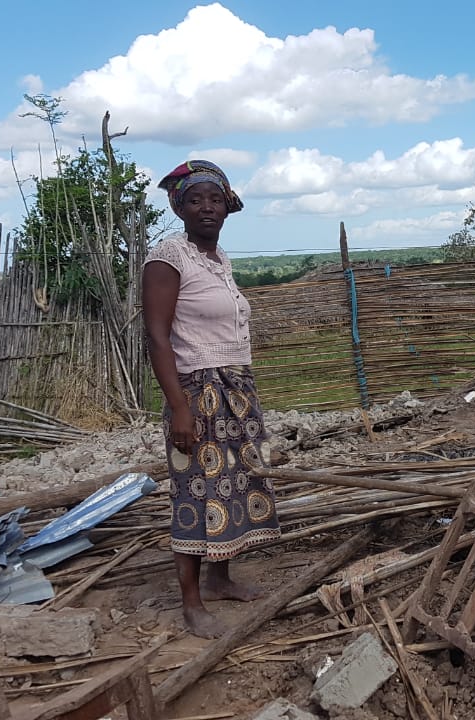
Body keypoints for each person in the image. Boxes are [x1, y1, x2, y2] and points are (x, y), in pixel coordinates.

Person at [142, 160, 281, 638]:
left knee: (237, 483)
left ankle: (221, 579)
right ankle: (192, 602)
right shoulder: (168, 257)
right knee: (196, 491)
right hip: (197, 393)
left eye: (215, 199)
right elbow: (157, 338)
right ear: (179, 205)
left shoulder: (220, 261)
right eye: (196, 198)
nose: (207, 207)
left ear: (227, 207)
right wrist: (180, 407)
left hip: (237, 389)